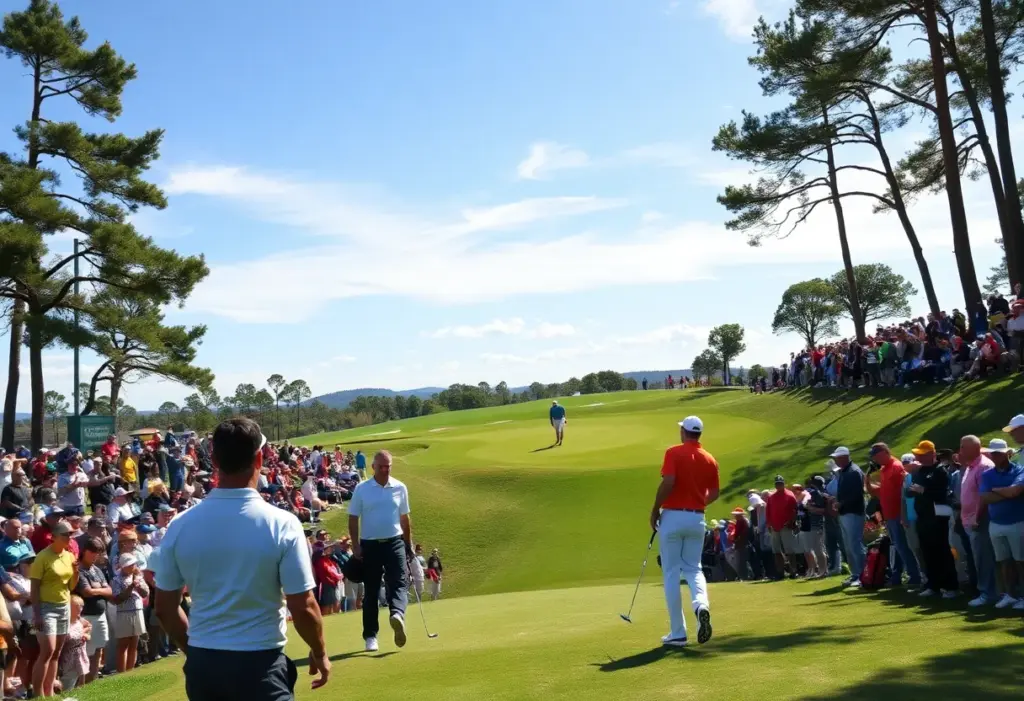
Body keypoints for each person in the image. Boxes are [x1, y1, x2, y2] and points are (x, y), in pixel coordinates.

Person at [155, 418, 329, 700]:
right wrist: (319, 652)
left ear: (213, 459)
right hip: (260, 665)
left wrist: (197, 650)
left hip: (203, 670)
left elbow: (164, 608)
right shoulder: (282, 524)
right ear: (259, 457)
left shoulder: (180, 525)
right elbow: (304, 606)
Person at [649, 416, 718, 647]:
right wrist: (699, 502)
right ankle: (701, 606)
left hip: (673, 517)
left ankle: (678, 632)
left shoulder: (673, 452)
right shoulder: (710, 458)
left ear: (684, 432)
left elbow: (668, 482)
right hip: (697, 518)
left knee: (671, 572)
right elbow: (715, 493)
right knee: (694, 569)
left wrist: (655, 509)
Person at [348, 450, 413, 653]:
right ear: (373, 467)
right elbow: (353, 518)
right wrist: (356, 545)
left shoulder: (400, 487)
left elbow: (405, 519)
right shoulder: (362, 489)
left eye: (388, 466)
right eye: (381, 466)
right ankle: (370, 636)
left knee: (399, 583)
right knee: (372, 592)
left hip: (394, 542)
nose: (385, 470)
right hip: (370, 545)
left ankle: (397, 615)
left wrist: (408, 544)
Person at [29, 519, 78, 698]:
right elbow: (34, 588)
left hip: (63, 606)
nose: (69, 537)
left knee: (56, 652)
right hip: (44, 608)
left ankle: (49, 693)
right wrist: (37, 614)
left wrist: (77, 573)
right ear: (54, 536)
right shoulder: (42, 556)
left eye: (71, 534)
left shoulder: (69, 555)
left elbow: (71, 586)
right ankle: (37, 694)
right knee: (47, 651)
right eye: (66, 534)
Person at [866, 443, 921, 589]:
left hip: (899, 514)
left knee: (904, 546)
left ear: (885, 452)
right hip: (890, 515)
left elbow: (903, 494)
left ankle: (915, 575)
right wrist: (866, 477)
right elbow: (876, 492)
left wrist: (903, 515)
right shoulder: (884, 470)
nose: (875, 460)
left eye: (877, 456)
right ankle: (909, 575)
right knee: (899, 547)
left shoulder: (897, 467)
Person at [907, 440, 958, 598]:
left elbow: (942, 494)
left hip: (938, 517)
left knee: (942, 551)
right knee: (927, 552)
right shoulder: (920, 471)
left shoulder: (940, 471)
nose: (919, 458)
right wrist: (912, 491)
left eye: (922, 455)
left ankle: (951, 587)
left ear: (931, 454)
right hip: (923, 517)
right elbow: (911, 492)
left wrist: (924, 490)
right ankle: (933, 585)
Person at [978, 438, 1024, 610]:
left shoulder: (1020, 470)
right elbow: (985, 497)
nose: (995, 456)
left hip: (1018, 521)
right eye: (993, 453)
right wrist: (1008, 492)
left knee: (1021, 561)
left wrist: (997, 491)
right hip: (996, 523)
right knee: (1003, 561)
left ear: (1007, 454)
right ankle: (1011, 595)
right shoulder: (987, 475)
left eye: (998, 453)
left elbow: (1015, 491)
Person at [959, 435, 998, 608]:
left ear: (975, 448)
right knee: (978, 557)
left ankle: (988, 593)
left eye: (963, 447)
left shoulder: (983, 466)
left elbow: (985, 496)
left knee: (984, 558)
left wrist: (976, 517)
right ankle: (988, 592)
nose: (960, 451)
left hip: (980, 520)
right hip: (970, 520)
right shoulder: (970, 466)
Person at [75, 537, 111, 684]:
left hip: (100, 615)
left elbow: (110, 591)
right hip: (86, 617)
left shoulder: (97, 570)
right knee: (85, 653)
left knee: (98, 649)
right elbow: (86, 592)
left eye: (98, 552)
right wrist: (101, 589)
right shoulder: (79, 569)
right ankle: (82, 685)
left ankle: (93, 682)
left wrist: (97, 589)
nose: (95, 555)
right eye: (93, 552)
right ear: (84, 551)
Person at [831, 446, 866, 587]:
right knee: (848, 545)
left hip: (854, 512)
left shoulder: (854, 471)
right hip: (845, 512)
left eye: (837, 458)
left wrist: (841, 503)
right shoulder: (845, 472)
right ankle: (855, 574)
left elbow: (857, 494)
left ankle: (863, 574)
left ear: (845, 457)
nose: (835, 461)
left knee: (855, 544)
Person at [765, 475, 798, 580]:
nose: (778, 485)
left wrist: (791, 522)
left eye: (780, 483)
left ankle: (793, 571)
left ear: (784, 483)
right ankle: (780, 572)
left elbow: (794, 510)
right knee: (776, 551)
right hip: (774, 527)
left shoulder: (790, 495)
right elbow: (768, 512)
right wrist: (769, 524)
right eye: (777, 484)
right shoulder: (771, 497)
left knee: (789, 550)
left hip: (786, 526)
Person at [58, 594, 90, 692]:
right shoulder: (65, 623)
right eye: (77, 607)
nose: (80, 609)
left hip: (80, 652)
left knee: (81, 672)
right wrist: (81, 634)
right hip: (69, 655)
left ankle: (81, 691)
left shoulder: (79, 620)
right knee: (69, 676)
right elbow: (66, 638)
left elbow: (89, 626)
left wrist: (86, 634)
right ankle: (64, 692)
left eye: (81, 607)